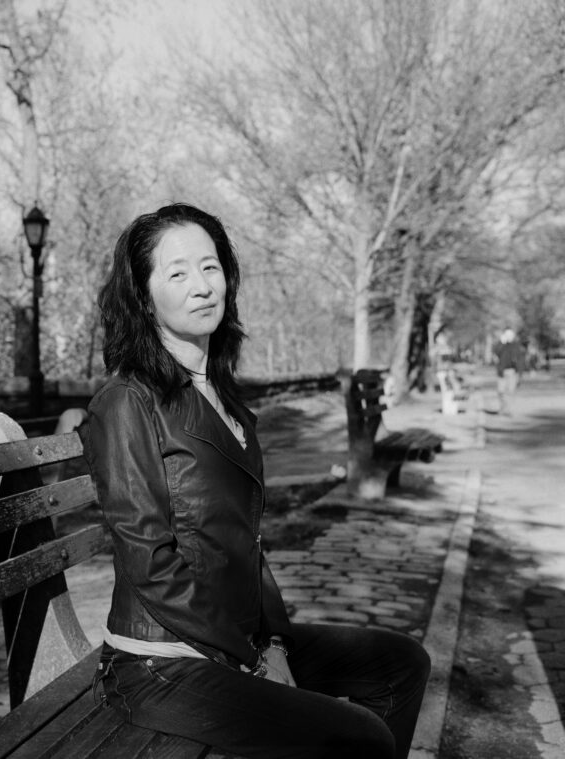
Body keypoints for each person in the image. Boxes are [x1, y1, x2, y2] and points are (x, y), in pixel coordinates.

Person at [80, 203, 430, 759]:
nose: (201, 286)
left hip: (238, 641)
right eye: (177, 273)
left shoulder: (224, 401)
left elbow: (249, 541)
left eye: (210, 267)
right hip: (161, 663)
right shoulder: (127, 402)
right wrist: (248, 659)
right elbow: (149, 561)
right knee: (357, 738)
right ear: (144, 298)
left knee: (399, 663)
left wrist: (273, 642)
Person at [494, 327, 525, 414]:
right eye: (507, 335)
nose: (509, 337)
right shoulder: (501, 345)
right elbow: (496, 352)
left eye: (510, 335)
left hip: (512, 371)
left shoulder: (516, 346)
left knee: (510, 392)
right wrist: (501, 342)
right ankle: (503, 408)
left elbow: (520, 360)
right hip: (502, 372)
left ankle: (508, 410)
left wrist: (520, 374)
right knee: (501, 391)